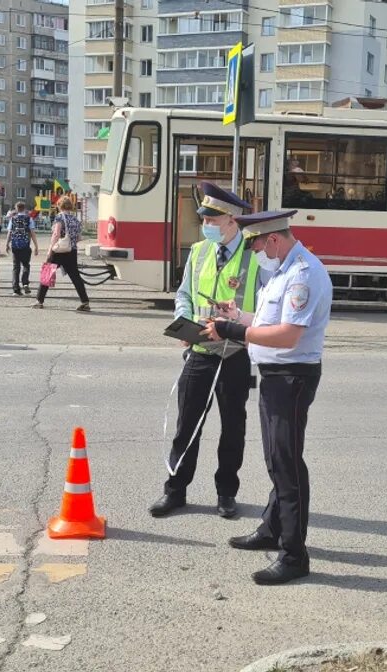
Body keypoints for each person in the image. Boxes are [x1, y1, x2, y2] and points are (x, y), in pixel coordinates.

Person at [203, 209, 333, 585]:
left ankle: (294, 554)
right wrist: (240, 316)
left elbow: (288, 336)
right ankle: (271, 529)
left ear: (273, 239)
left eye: (256, 245)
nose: (255, 251)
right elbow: (269, 323)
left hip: (291, 378)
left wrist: (231, 330)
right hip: (276, 377)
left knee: (287, 466)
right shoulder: (283, 269)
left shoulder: (303, 275)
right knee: (277, 460)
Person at [148, 182, 262, 520]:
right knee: (187, 426)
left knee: (232, 428)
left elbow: (269, 305)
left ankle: (226, 493)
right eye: (205, 219)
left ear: (232, 221)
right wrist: (183, 324)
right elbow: (183, 294)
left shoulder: (255, 256)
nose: (206, 225)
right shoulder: (198, 252)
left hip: (235, 354)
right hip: (199, 350)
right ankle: (175, 491)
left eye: (212, 219)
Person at [33, 195, 90, 311]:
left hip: (58, 251)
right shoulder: (76, 220)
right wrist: (71, 242)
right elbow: (79, 238)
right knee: (75, 277)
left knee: (47, 273)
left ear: (59, 206)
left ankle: (39, 300)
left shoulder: (59, 217)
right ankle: (85, 302)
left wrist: (50, 249)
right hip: (71, 251)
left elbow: (56, 234)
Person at [4, 201, 39, 296]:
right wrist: (36, 246)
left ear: (16, 208)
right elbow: (32, 233)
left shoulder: (13, 219)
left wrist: (7, 244)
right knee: (26, 265)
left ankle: (16, 289)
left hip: (15, 246)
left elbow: (9, 233)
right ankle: (25, 283)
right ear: (24, 208)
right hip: (25, 246)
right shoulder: (29, 219)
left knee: (16, 267)